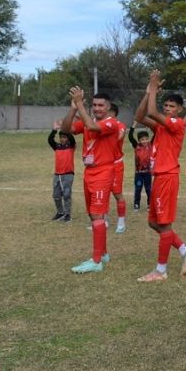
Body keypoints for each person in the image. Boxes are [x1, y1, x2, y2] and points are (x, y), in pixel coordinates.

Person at [134, 70, 186, 282]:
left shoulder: (177, 124)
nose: (167, 109)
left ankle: (161, 271)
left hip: (167, 177)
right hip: (159, 177)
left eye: (172, 107)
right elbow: (140, 116)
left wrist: (153, 88)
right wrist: (147, 93)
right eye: (166, 106)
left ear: (179, 110)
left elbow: (152, 111)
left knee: (164, 225)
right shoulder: (161, 126)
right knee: (153, 223)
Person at [60, 89, 118, 273]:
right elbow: (65, 129)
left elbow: (93, 128)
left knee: (97, 215)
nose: (97, 108)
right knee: (93, 215)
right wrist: (73, 108)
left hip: (103, 172)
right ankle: (103, 254)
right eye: (94, 105)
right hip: (89, 173)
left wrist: (80, 106)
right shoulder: (87, 121)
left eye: (101, 105)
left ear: (108, 107)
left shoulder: (111, 123)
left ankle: (96, 261)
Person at [48, 118, 75, 222]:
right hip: (57, 174)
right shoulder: (57, 146)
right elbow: (50, 140)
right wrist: (54, 130)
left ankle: (67, 214)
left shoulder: (71, 146)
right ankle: (60, 212)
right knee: (56, 195)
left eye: (64, 137)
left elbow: (72, 139)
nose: (62, 139)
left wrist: (66, 128)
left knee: (67, 195)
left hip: (68, 174)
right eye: (61, 137)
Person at [108, 103, 128, 233]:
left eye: (107, 111)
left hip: (116, 164)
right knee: (102, 193)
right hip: (102, 164)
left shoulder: (120, 125)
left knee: (117, 194)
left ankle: (121, 222)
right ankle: (103, 220)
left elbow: (120, 136)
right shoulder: (101, 124)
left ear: (114, 113)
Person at [128, 123, 153, 211]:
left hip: (148, 173)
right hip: (138, 173)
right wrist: (133, 125)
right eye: (142, 139)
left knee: (148, 189)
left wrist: (151, 125)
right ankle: (136, 204)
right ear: (139, 140)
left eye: (146, 139)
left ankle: (150, 204)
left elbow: (156, 134)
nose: (145, 141)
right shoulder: (136, 146)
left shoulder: (150, 145)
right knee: (138, 189)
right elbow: (130, 137)